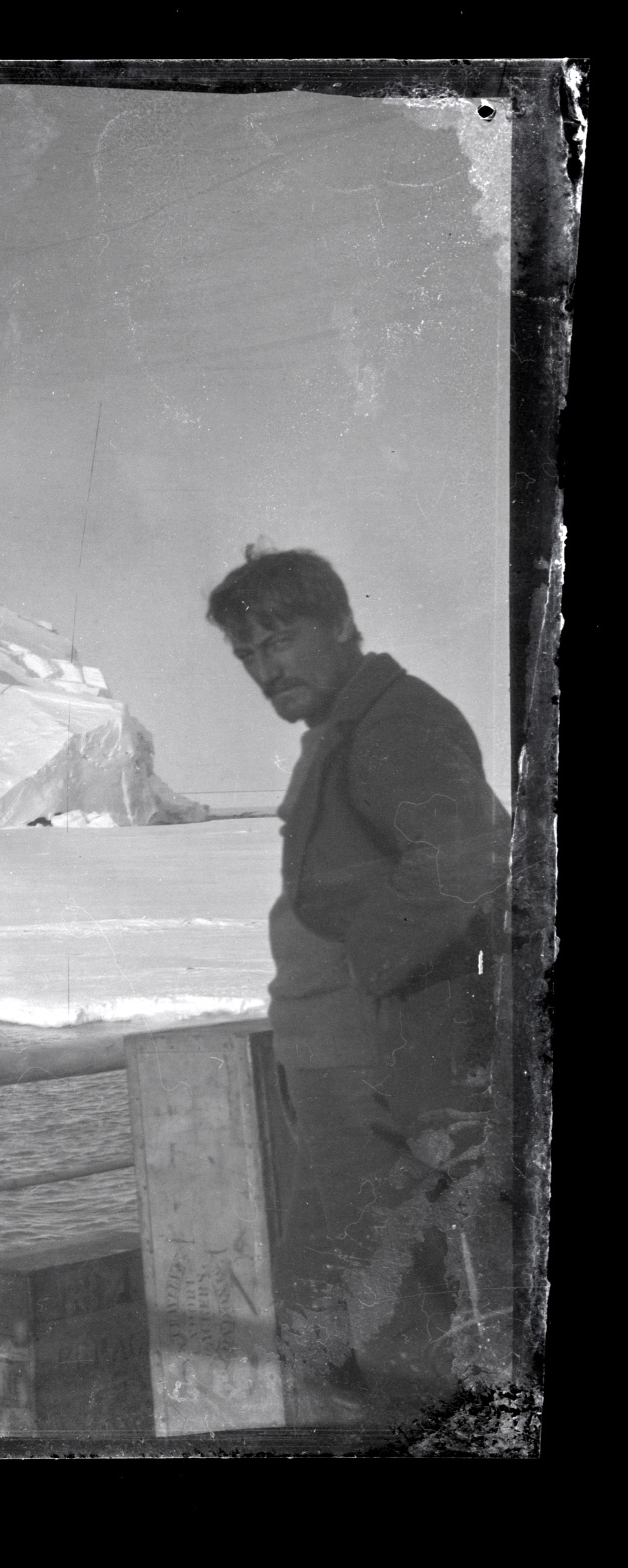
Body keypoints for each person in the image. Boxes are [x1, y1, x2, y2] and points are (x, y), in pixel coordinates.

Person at [207, 546, 512, 1422]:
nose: (267, 669)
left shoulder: (395, 725)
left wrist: (368, 965)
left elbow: (465, 857)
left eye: (282, 640)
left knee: (374, 1325)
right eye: (248, 655)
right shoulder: (347, 730)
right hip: (338, 1067)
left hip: (366, 1068)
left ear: (342, 623)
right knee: (334, 1318)